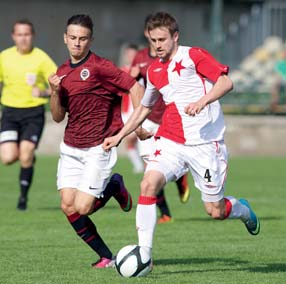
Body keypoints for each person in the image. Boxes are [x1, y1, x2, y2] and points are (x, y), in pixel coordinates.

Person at [103, 12, 260, 263]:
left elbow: (225, 82)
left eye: (162, 39)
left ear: (175, 37)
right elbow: (144, 107)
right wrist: (121, 134)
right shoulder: (154, 70)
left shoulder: (193, 56)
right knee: (147, 185)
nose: (158, 45)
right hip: (171, 141)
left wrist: (202, 101)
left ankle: (242, 210)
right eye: (153, 40)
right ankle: (145, 255)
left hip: (206, 145)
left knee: (215, 210)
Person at [48, 14, 145, 268]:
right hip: (70, 147)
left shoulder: (101, 66)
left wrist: (138, 125)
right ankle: (106, 256)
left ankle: (114, 185)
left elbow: (135, 88)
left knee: (83, 207)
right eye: (73, 38)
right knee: (68, 206)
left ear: (90, 40)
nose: (77, 43)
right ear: (65, 38)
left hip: (98, 146)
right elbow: (58, 117)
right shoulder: (60, 73)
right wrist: (55, 92)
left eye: (82, 39)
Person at [0, 19, 58, 210]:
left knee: (26, 153)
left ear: (32, 36)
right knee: (8, 158)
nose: (23, 38)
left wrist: (44, 92)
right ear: (13, 36)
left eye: (27, 34)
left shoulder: (41, 58)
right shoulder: (4, 56)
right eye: (19, 34)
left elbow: (57, 83)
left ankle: (23, 198)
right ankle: (27, 155)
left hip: (33, 113)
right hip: (10, 113)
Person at [130, 15, 190, 224]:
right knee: (150, 171)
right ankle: (165, 213)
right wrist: (133, 75)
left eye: (159, 37)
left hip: (169, 119)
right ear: (147, 34)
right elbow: (134, 87)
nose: (154, 40)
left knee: (155, 171)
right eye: (150, 34)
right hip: (149, 117)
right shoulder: (139, 57)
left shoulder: (175, 58)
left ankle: (180, 177)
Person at [119, 43, 144, 174]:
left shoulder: (143, 71)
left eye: (133, 54)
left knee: (137, 137)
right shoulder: (122, 71)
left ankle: (143, 165)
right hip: (125, 110)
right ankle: (138, 165)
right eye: (128, 54)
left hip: (140, 109)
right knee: (129, 140)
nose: (130, 56)